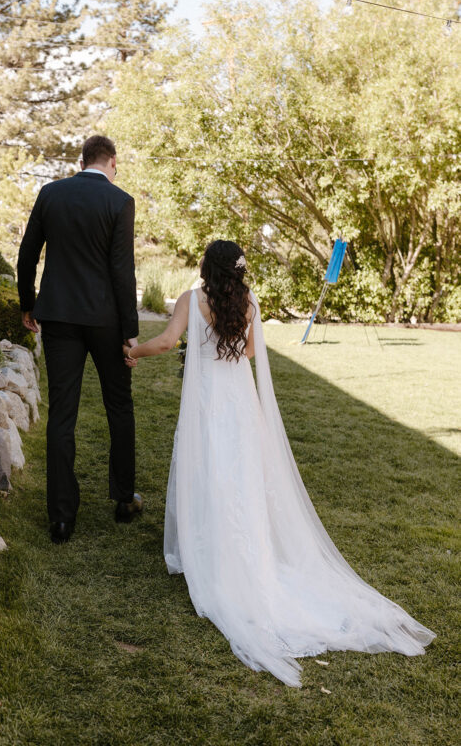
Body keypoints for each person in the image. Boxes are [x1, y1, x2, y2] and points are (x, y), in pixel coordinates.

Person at [123, 239, 435, 687]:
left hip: (210, 403)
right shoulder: (248, 300)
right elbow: (250, 352)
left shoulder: (193, 299)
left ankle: (212, 553)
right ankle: (250, 551)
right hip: (240, 400)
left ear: (207, 267)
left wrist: (133, 351)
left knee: (209, 472)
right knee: (242, 477)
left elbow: (169, 340)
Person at [17, 135, 144, 544]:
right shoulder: (120, 202)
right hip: (107, 321)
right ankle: (124, 499)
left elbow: (27, 253)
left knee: (62, 414)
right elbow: (123, 273)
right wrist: (130, 332)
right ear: (110, 161)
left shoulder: (51, 193)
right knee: (119, 407)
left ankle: (61, 518)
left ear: (83, 159)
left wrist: (28, 303)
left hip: (59, 318)